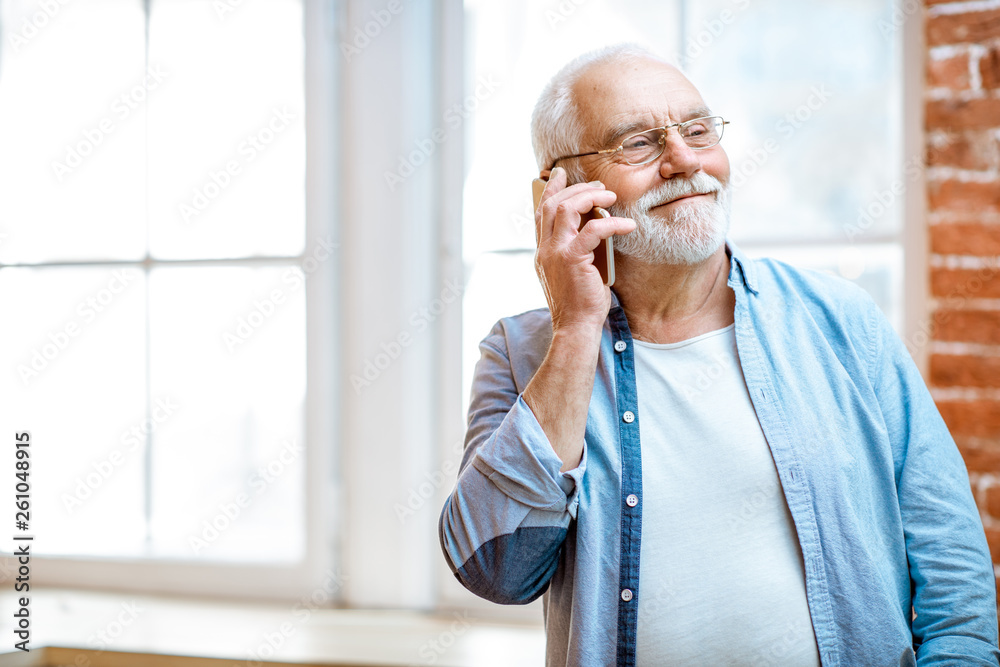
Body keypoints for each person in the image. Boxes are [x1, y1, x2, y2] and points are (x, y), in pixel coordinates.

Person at [437, 43, 999, 666]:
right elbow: (496, 569)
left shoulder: (840, 320)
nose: (683, 161)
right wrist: (576, 329)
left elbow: (952, 564)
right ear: (562, 190)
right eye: (639, 144)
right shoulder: (521, 353)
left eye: (698, 130)